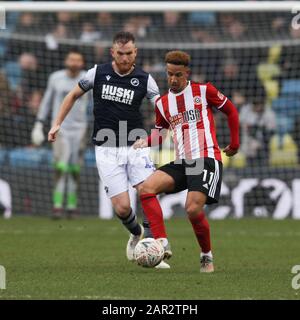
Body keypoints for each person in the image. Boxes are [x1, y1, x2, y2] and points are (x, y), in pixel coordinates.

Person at [47, 32, 169, 269]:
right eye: (120, 53)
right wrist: (57, 123)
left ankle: (155, 244)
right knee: (123, 208)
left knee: (148, 190)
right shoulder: (97, 73)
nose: (125, 58)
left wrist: (158, 135)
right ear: (113, 52)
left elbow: (162, 111)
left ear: (136, 53)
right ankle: (136, 234)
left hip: (135, 145)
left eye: (129, 53)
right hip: (105, 149)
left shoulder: (145, 79)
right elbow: (72, 95)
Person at [134, 51, 240, 272]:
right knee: (146, 189)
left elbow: (231, 111)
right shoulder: (163, 103)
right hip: (182, 161)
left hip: (206, 157)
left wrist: (235, 143)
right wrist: (146, 141)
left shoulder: (204, 91)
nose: (173, 79)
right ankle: (162, 242)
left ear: (187, 73)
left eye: (178, 75)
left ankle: (206, 256)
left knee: (192, 209)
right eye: (170, 74)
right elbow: (160, 134)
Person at [31, 50, 90, 218]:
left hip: (80, 129)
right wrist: (39, 123)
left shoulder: (88, 78)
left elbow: (96, 103)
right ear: (66, 61)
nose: (74, 62)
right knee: (60, 166)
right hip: (59, 128)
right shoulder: (56, 78)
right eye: (71, 59)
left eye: (77, 60)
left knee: (74, 169)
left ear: (82, 63)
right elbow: (47, 101)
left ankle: (71, 207)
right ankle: (57, 206)